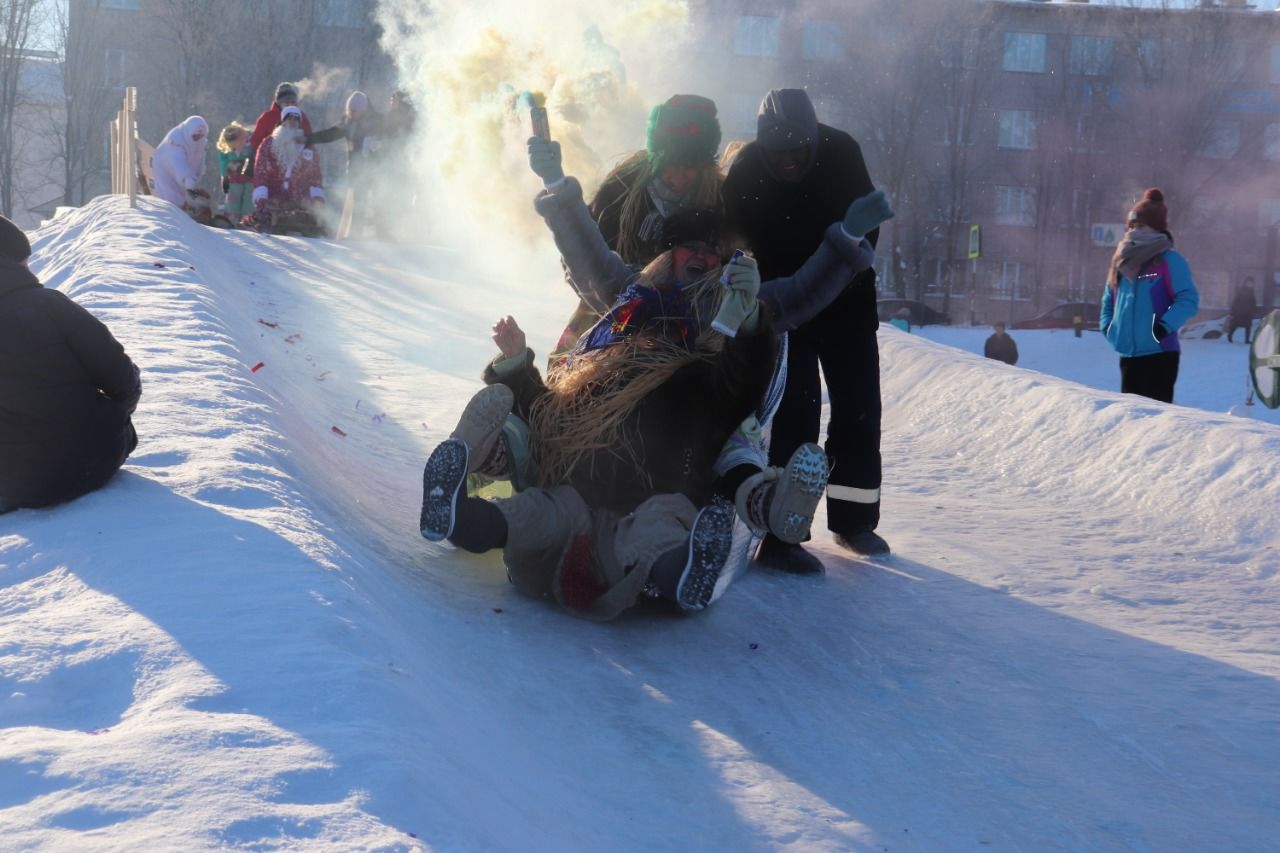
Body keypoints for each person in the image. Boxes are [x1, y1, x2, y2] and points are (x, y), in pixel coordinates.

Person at [722, 88, 889, 570]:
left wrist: (839, 263)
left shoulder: (842, 152)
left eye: (799, 149)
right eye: (779, 151)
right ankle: (782, 532)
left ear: (814, 138)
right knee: (794, 416)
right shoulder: (745, 174)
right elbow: (733, 247)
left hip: (846, 301)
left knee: (859, 410)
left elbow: (867, 228)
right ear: (762, 143)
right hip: (784, 308)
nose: (790, 159)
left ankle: (854, 519)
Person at [551, 94, 724, 363]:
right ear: (657, 156)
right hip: (612, 306)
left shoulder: (719, 199)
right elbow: (586, 257)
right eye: (671, 164)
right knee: (566, 368)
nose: (679, 175)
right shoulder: (621, 188)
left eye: (690, 167)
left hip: (690, 318)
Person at [0, 215, 140, 513]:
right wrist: (110, 421)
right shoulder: (51, 305)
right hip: (102, 454)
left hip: (19, 484)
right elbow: (122, 379)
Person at [1100, 188, 1200, 404]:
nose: (1135, 231)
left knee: (1155, 423)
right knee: (1132, 422)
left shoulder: (1169, 261)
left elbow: (1188, 299)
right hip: (1128, 354)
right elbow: (1109, 298)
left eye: (1141, 226)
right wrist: (1109, 327)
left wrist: (1164, 326)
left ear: (1156, 228)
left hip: (1160, 354)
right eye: (1132, 226)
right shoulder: (1121, 260)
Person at [307, 91, 383, 238]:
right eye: (350, 111)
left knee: (378, 202)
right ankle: (355, 234)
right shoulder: (348, 121)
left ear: (364, 110)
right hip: (356, 171)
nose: (352, 114)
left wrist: (378, 146)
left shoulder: (377, 121)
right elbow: (331, 134)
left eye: (355, 112)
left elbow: (390, 141)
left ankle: (380, 235)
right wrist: (308, 138)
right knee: (357, 203)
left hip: (375, 170)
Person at [252, 106, 325, 216]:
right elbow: (260, 171)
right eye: (289, 119)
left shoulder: (307, 147)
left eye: (296, 120)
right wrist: (261, 194)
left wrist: (316, 196)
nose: (292, 123)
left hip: (300, 200)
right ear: (283, 121)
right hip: (273, 199)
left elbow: (314, 175)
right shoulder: (269, 143)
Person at [151, 116, 210, 217]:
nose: (197, 138)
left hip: (184, 177)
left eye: (200, 136)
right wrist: (188, 178)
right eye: (195, 136)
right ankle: (172, 221)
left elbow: (200, 159)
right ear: (189, 132)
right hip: (166, 172)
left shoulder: (200, 142)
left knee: (185, 200)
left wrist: (197, 176)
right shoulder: (175, 141)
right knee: (172, 201)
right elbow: (178, 163)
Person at [215, 122, 254, 224]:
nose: (234, 147)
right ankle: (231, 220)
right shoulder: (226, 150)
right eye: (230, 145)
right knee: (233, 200)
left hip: (249, 178)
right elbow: (223, 163)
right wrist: (224, 178)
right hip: (234, 180)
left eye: (235, 142)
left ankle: (248, 220)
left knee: (248, 201)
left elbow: (255, 157)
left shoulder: (249, 145)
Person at [1226, 277, 1258, 344]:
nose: (1250, 284)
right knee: (1235, 325)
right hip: (1239, 312)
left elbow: (1253, 302)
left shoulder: (1252, 291)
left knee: (1248, 326)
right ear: (1246, 283)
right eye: (1249, 283)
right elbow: (1236, 301)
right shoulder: (1242, 291)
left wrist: (1254, 309)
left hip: (1248, 312)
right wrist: (1233, 312)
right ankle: (1229, 335)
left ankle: (1246, 340)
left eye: (1252, 283)